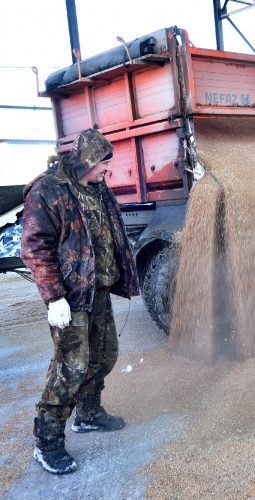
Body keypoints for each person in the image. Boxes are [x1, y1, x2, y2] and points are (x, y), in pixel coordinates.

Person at [21, 128, 139, 474]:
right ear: (88, 161)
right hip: (69, 297)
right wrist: (54, 296)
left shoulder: (96, 187)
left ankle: (88, 415)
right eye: (104, 163)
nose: (108, 170)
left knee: (104, 356)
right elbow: (34, 247)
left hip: (98, 289)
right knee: (71, 368)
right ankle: (48, 443)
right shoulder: (47, 190)